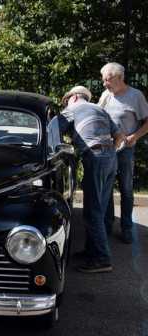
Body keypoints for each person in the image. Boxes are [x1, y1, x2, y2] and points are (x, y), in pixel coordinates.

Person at [59, 86, 124, 273]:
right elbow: (119, 137)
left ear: (75, 96)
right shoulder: (100, 109)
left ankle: (101, 259)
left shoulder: (72, 109)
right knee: (100, 209)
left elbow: (52, 131)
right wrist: (107, 149)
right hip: (110, 157)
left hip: (95, 157)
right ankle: (92, 251)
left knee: (92, 212)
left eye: (66, 99)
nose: (65, 103)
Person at [99, 62, 148, 244]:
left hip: (126, 149)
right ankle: (107, 224)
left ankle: (127, 227)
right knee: (107, 188)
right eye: (103, 80)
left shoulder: (135, 96)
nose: (104, 84)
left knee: (126, 189)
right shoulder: (106, 95)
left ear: (120, 77)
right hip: (107, 149)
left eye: (107, 79)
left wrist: (134, 136)